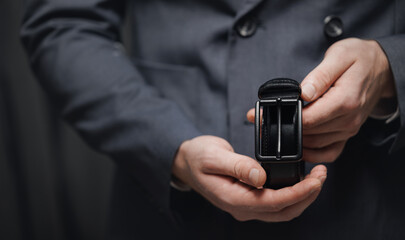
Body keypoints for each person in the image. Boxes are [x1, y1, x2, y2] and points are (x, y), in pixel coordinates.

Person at [21, 0, 405, 239]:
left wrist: (388, 69)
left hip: (363, 204)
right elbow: (62, 24)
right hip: (174, 212)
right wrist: (168, 146)